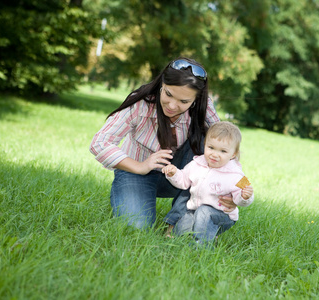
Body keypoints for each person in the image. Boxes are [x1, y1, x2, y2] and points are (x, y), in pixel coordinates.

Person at [89, 57, 236, 230]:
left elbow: (227, 146)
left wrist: (232, 191)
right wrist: (140, 166)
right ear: (162, 84)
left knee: (212, 139)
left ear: (196, 99)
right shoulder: (140, 104)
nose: (172, 106)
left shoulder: (203, 107)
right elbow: (99, 143)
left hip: (181, 175)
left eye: (184, 102)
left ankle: (178, 221)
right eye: (168, 94)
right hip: (137, 173)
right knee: (135, 228)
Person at [162, 121, 254, 247]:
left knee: (204, 212)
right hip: (195, 210)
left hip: (222, 216)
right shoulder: (197, 163)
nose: (215, 154)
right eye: (211, 148)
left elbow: (243, 197)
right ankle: (208, 234)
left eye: (223, 151)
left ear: (233, 154)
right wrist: (174, 174)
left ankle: (200, 247)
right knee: (180, 230)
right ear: (205, 145)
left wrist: (245, 196)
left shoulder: (237, 175)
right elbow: (183, 181)